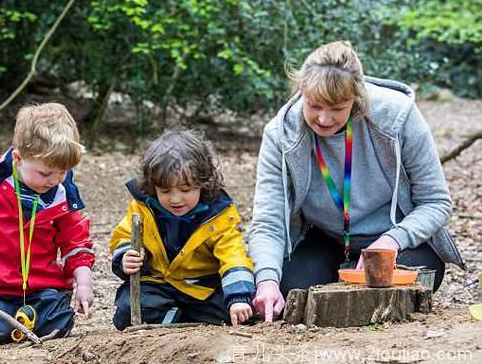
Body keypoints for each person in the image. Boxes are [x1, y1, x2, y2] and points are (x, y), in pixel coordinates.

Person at [249, 41, 465, 322]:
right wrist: (266, 280)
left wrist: (391, 240)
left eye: (337, 108)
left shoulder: (397, 115)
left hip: (394, 241)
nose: (324, 119)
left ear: (356, 97)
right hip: (326, 238)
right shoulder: (281, 133)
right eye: (314, 106)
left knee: (416, 277)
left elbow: (436, 203)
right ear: (301, 91)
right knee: (291, 289)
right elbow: (268, 221)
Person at [0, 103, 95, 346]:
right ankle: (7, 322)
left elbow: (74, 239)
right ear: (18, 158)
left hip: (43, 286)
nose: (54, 180)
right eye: (45, 174)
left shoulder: (63, 191)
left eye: (63, 172)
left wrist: (83, 281)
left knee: (59, 324)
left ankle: (31, 319)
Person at [110, 129, 255, 330]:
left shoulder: (218, 214)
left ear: (203, 183)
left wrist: (239, 297)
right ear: (153, 186)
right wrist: (126, 256)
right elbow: (124, 236)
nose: (175, 199)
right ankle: (176, 318)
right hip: (158, 283)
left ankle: (176, 318)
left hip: (201, 288)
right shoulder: (143, 207)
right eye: (165, 191)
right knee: (127, 310)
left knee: (240, 312)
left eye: (186, 190)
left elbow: (233, 256)